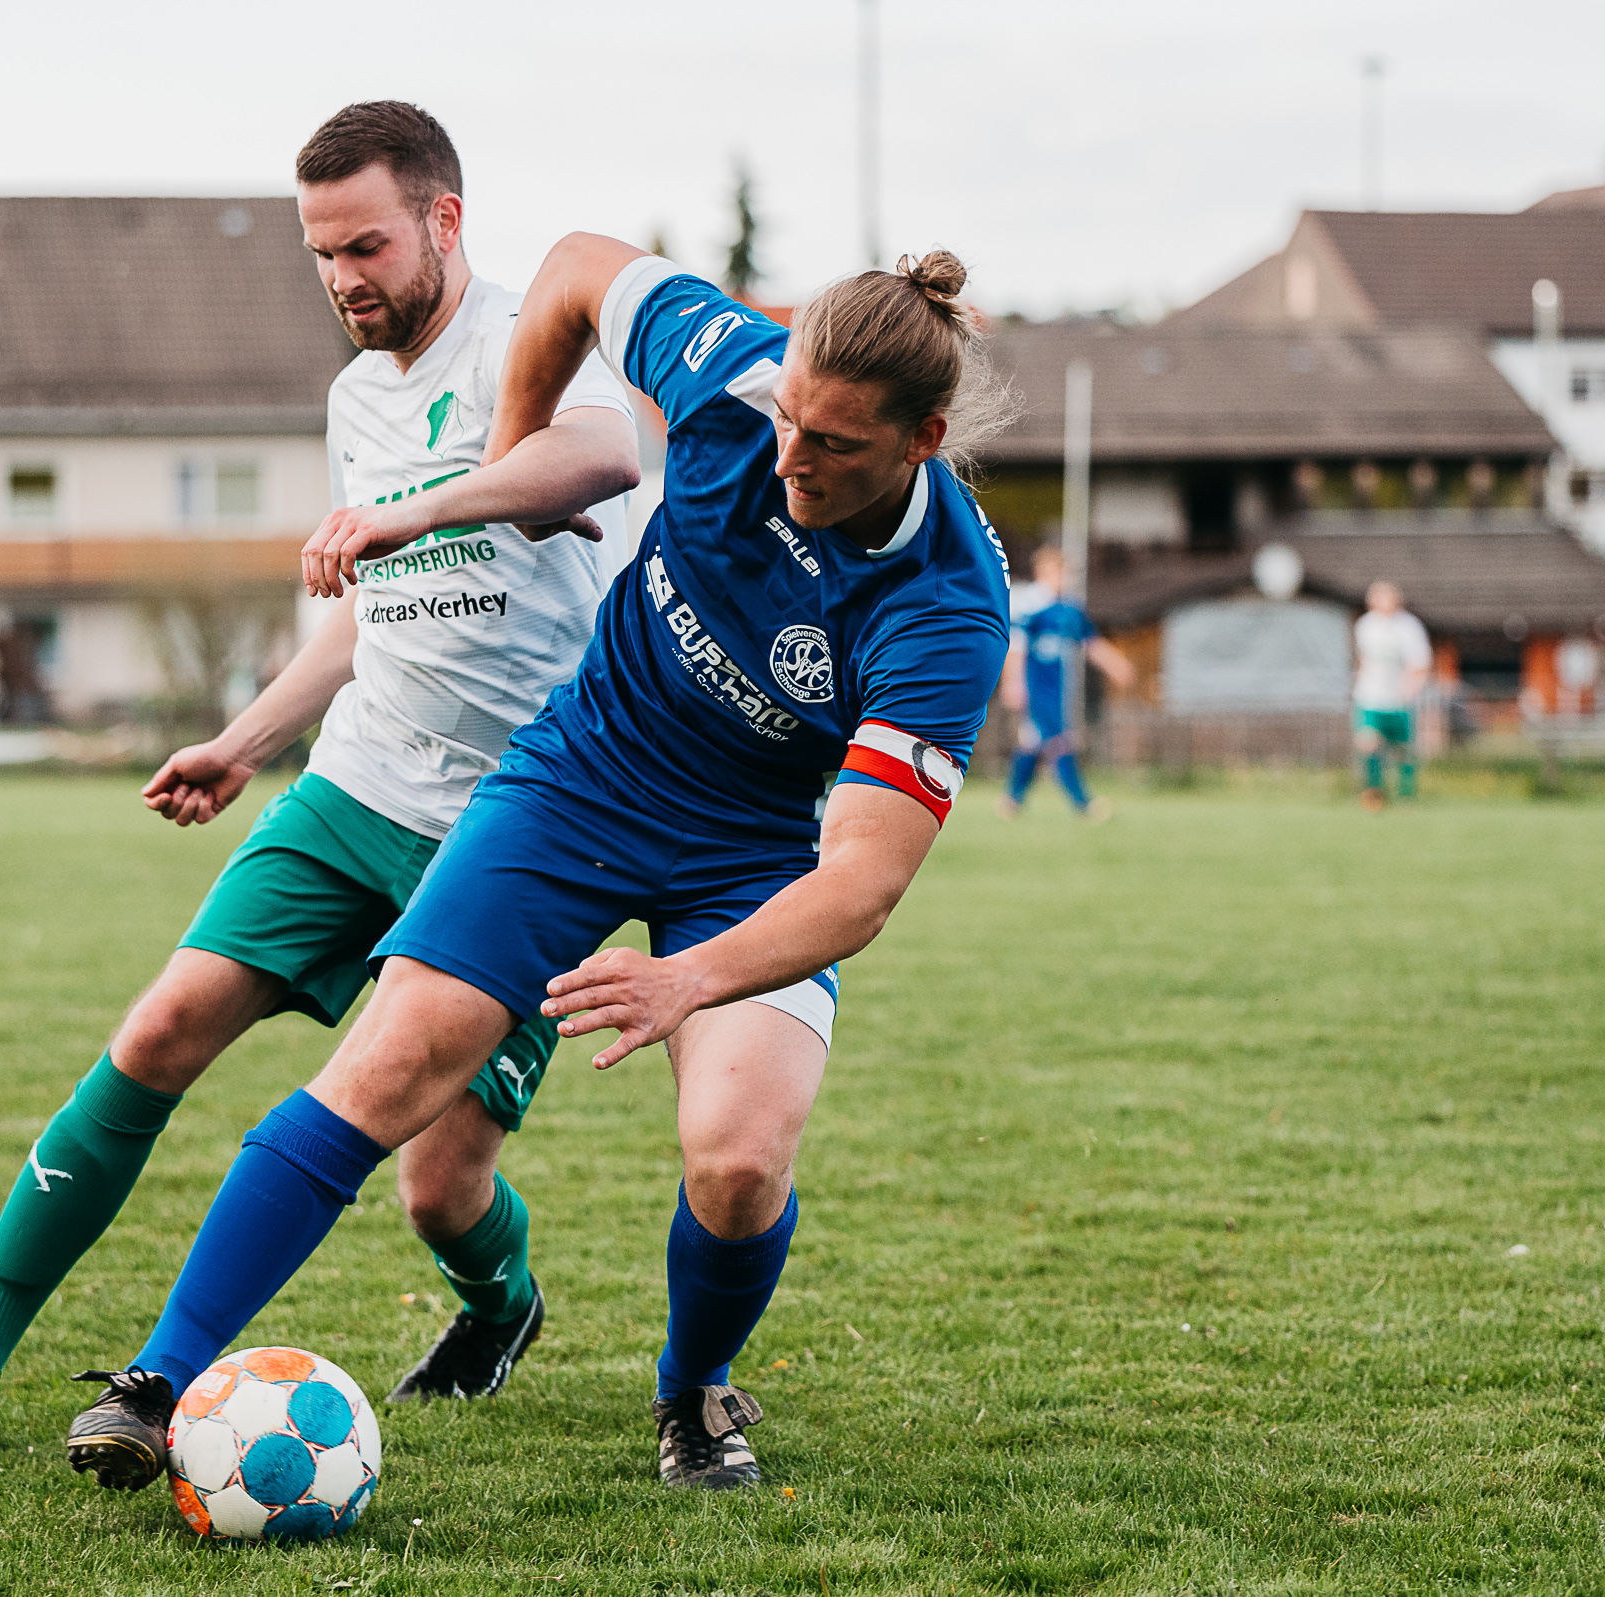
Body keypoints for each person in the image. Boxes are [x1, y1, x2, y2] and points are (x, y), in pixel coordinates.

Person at [58, 233, 1012, 1496]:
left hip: (754, 858)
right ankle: (163, 1375)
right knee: (387, 1067)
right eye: (788, 421)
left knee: (735, 1160)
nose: (788, 460)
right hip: (579, 780)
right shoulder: (730, 367)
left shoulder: (950, 606)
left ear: (921, 441)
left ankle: (690, 1388)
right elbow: (571, 271)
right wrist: (515, 453)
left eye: (833, 445)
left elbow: (862, 886)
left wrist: (686, 982)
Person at [0, 102, 640, 1448]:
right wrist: (245, 743)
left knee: (439, 1188)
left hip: (516, 829)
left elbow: (604, 457)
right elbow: (370, 613)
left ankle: (501, 1304)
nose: (344, 279)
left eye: (365, 244)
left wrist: (414, 507)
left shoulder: (525, 344)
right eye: (320, 255)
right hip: (354, 786)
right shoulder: (354, 399)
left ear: (446, 219)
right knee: (157, 1032)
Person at [996, 543, 1134, 819]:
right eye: (1059, 571)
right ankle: (1084, 803)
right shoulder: (1030, 604)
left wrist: (1116, 664)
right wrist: (1013, 683)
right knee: (1060, 740)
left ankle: (1011, 801)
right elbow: (1017, 648)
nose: (1064, 578)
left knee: (1034, 742)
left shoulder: (1069, 609)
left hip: (1058, 687)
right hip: (1037, 686)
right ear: (1042, 572)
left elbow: (1091, 642)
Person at [1352, 579, 1430, 810]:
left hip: (1399, 700)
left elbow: (1420, 663)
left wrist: (1411, 687)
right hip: (1370, 698)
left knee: (1402, 751)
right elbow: (1362, 660)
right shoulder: (1365, 626)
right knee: (1368, 743)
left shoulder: (1409, 627)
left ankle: (1406, 795)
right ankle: (1374, 792)